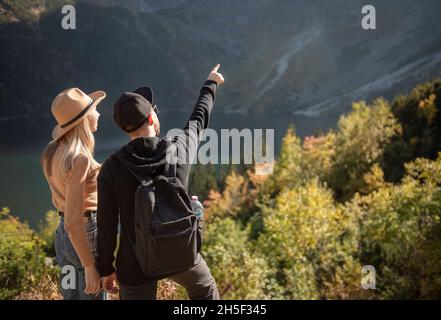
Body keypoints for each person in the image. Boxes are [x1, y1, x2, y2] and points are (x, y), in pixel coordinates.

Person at [96, 64, 225, 300]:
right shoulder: (180, 147)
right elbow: (199, 119)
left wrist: (105, 268)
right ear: (151, 117)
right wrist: (211, 84)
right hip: (181, 252)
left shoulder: (111, 168)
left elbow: (106, 226)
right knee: (205, 291)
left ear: (124, 128)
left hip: (135, 262)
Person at [41, 88, 106, 300]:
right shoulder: (80, 159)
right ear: (84, 120)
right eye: (95, 109)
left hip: (62, 236)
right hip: (84, 234)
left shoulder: (51, 151)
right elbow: (73, 219)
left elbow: (64, 209)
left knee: (71, 296)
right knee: (93, 293)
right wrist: (89, 265)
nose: (98, 113)